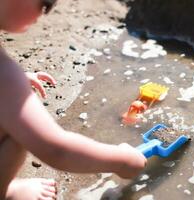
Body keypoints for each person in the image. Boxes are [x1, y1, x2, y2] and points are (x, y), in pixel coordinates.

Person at [0, 0, 147, 199]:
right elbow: (55, 149)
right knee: (17, 128)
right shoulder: (5, 77)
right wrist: (121, 161)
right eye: (45, 3)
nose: (47, 11)